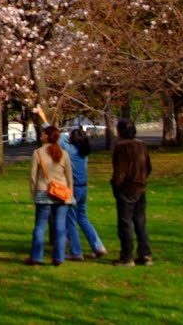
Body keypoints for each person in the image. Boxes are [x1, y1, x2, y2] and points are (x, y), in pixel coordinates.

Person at [33, 106, 107, 261]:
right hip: (84, 188)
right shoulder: (83, 152)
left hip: (71, 189)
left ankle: (76, 251)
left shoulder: (69, 150)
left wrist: (42, 116)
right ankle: (98, 245)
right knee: (83, 218)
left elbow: (54, 136)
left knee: (70, 221)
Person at [26, 125, 75, 266]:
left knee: (40, 226)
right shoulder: (63, 153)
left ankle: (36, 257)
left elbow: (33, 176)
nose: (41, 136)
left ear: (47, 136)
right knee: (60, 227)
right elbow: (69, 175)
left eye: (43, 134)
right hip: (61, 192)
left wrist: (33, 193)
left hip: (43, 192)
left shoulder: (38, 153)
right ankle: (59, 257)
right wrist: (70, 192)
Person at [111, 119, 153, 267]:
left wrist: (116, 184)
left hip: (126, 188)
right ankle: (145, 254)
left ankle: (127, 256)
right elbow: (148, 167)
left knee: (125, 223)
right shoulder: (142, 145)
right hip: (140, 186)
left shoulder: (121, 147)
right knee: (140, 222)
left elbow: (120, 170)